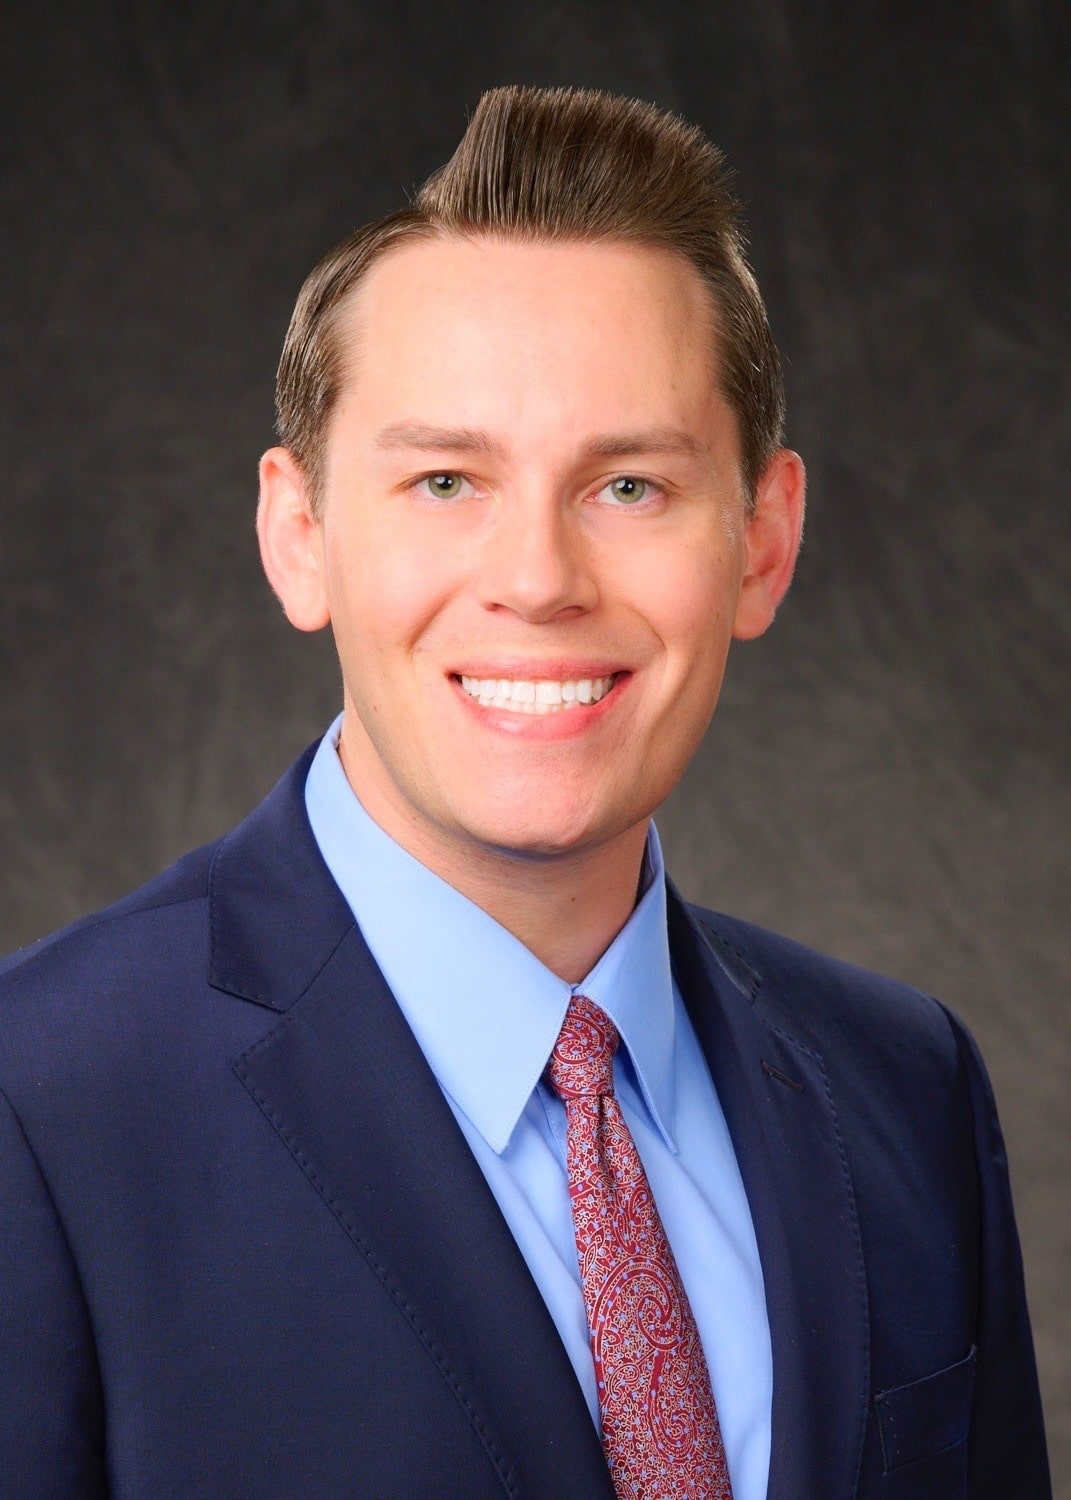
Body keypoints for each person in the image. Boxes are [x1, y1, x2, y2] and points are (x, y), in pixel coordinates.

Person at [0, 85, 1049, 1500]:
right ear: (298, 536)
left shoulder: (906, 1087)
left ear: (764, 541)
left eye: (628, 487)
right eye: (445, 481)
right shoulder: (40, 1107)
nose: (541, 580)